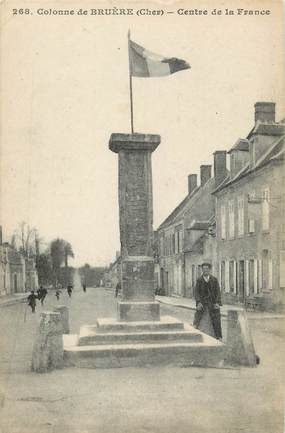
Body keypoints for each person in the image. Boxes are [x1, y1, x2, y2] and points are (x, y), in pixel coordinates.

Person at [193, 262, 222, 340]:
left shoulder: (214, 280)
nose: (205, 270)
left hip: (212, 302)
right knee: (197, 317)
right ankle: (194, 331)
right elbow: (196, 292)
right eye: (203, 269)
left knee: (216, 318)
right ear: (202, 270)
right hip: (202, 303)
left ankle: (218, 336)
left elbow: (218, 292)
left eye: (207, 269)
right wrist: (198, 302)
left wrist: (217, 302)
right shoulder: (199, 280)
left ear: (210, 270)